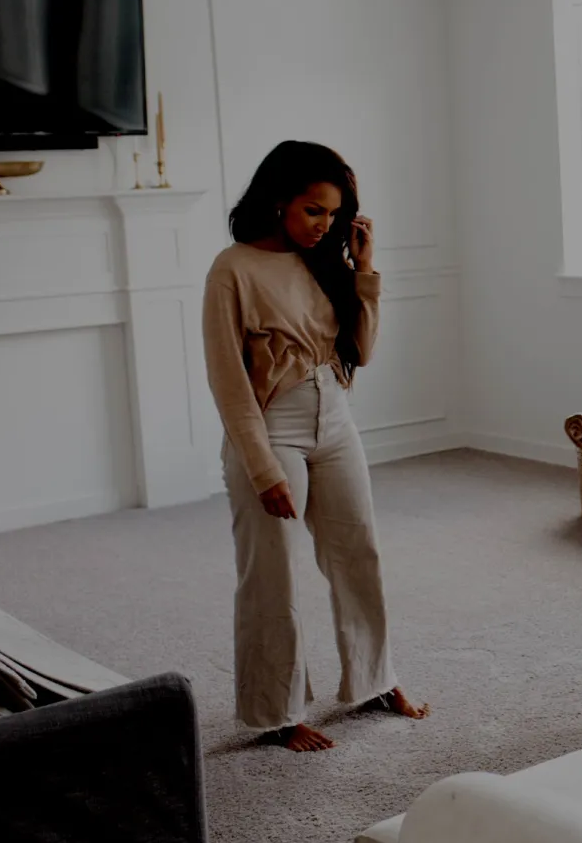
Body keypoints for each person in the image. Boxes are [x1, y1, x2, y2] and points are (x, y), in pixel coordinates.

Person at [201, 140, 429, 752]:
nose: (323, 225)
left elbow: (364, 350)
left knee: (359, 553)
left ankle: (375, 679)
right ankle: (275, 713)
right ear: (278, 202)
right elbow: (228, 380)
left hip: (335, 420)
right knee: (271, 576)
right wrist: (262, 467)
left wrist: (365, 266)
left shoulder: (326, 260)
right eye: (313, 211)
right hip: (272, 431)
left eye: (333, 214)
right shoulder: (234, 267)